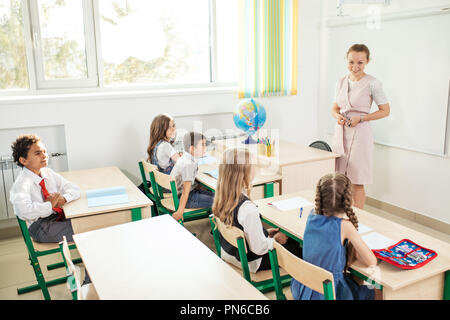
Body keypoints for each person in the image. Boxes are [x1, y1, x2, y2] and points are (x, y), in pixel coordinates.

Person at [212, 147, 301, 273]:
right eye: (253, 166)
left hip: (229, 253)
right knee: (296, 247)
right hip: (251, 262)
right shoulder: (247, 209)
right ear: (242, 174)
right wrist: (275, 240)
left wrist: (265, 232)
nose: (255, 170)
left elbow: (243, 230)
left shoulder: (223, 196)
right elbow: (259, 248)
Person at [290, 173, 378, 300]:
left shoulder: (311, 216)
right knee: (375, 290)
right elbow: (371, 261)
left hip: (305, 288)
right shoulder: (345, 226)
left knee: (355, 279)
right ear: (350, 200)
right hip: (330, 293)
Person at [331, 44, 390, 209]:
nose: (355, 67)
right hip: (341, 133)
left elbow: (385, 111)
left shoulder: (373, 83)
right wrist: (337, 116)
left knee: (357, 181)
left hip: (360, 135)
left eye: (360, 63)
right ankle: (341, 217)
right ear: (346, 60)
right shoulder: (341, 81)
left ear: (367, 62)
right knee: (339, 179)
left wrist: (362, 118)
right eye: (351, 62)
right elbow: (335, 108)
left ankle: (357, 221)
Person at [9, 134, 80, 243]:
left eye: (44, 151)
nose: (44, 156)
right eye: (38, 153)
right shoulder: (21, 184)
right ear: (23, 161)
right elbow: (22, 211)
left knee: (86, 220)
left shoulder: (48, 172)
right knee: (86, 226)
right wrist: (49, 205)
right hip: (40, 227)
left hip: (57, 216)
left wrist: (64, 198)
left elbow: (74, 189)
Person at [170, 132, 214, 221]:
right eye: (202, 145)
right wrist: (180, 212)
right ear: (192, 149)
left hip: (186, 193)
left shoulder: (185, 157)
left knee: (219, 196)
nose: (205, 148)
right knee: (222, 202)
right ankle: (217, 227)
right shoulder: (189, 165)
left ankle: (215, 221)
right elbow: (185, 192)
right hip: (186, 198)